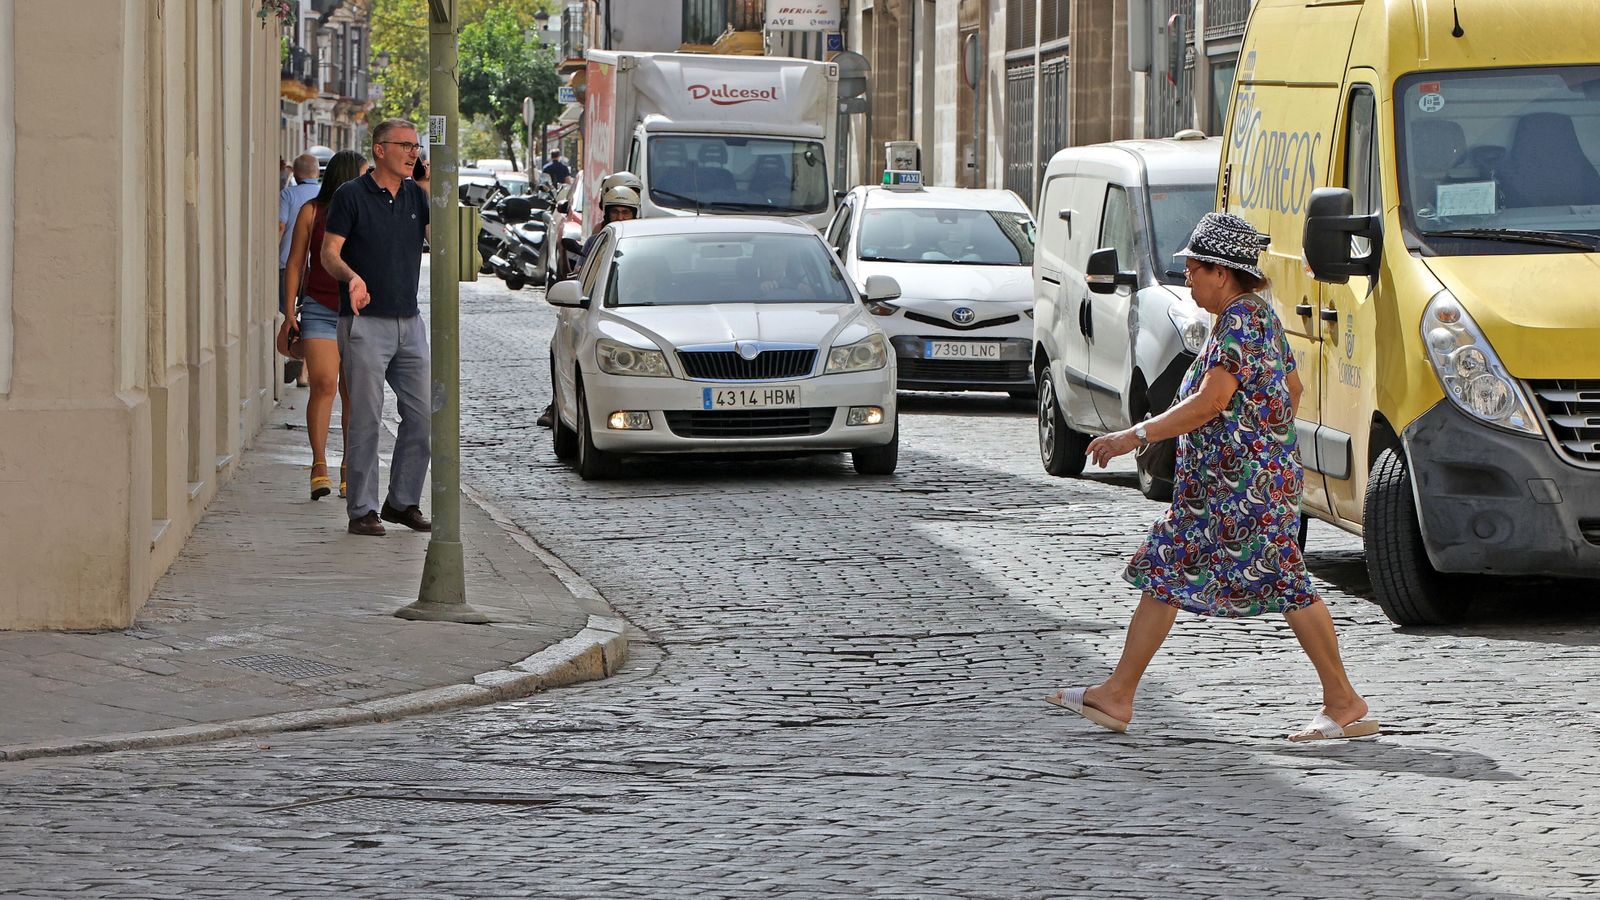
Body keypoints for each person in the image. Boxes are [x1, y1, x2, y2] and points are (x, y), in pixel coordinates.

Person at [1046, 212, 1376, 743]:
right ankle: (1118, 693)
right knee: (1169, 573)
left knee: (1282, 583)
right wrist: (1262, 441)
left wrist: (1136, 436)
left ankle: (1343, 701)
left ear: (1222, 272)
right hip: (1230, 491)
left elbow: (1211, 401)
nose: (1188, 280)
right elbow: (1290, 390)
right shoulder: (1256, 315)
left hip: (1236, 493)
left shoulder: (1240, 321)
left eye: (1194, 270)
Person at [319, 119, 432, 537]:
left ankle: (402, 501)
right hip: (364, 324)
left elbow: (441, 240)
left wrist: (435, 186)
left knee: (422, 416)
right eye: (405, 146)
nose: (413, 153)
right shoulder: (351, 196)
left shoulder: (416, 198)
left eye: (416, 147)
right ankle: (362, 508)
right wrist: (352, 278)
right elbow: (329, 253)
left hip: (410, 321)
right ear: (380, 149)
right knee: (365, 418)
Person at [279, 149, 364, 502]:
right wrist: (289, 313)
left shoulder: (366, 212)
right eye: (361, 174)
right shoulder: (311, 212)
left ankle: (349, 467)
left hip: (359, 313)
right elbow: (297, 263)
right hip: (319, 308)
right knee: (325, 384)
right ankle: (319, 465)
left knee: (353, 394)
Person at [536, 186, 640, 428]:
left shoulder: (647, 241)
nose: (621, 218)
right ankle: (557, 405)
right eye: (616, 213)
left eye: (626, 213)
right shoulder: (597, 241)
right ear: (606, 213)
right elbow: (581, 276)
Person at [278, 155, 322, 387]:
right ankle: (304, 373)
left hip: (288, 263)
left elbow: (280, 225)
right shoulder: (324, 196)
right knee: (312, 319)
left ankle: (291, 352)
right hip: (315, 268)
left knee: (288, 315)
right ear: (317, 172)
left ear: (295, 173)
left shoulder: (288, 195)